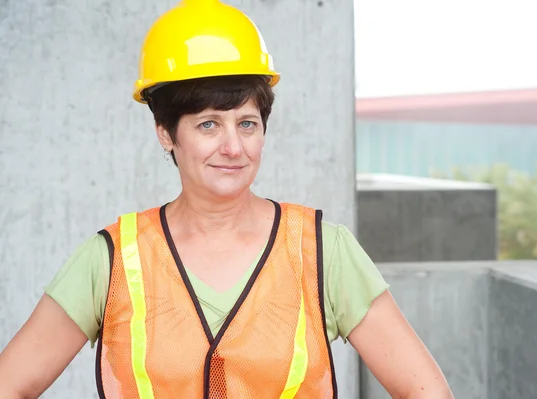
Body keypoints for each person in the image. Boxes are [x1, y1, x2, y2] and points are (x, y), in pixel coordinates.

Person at [0, 0, 454, 398]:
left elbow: (425, 391)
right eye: (208, 125)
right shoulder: (114, 260)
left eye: (247, 123)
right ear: (166, 134)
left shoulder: (320, 252)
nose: (234, 147)